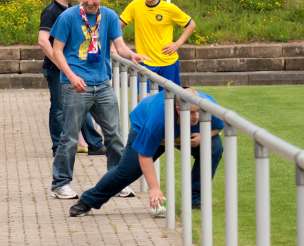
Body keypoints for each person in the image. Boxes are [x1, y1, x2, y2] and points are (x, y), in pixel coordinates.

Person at [48, 0, 148, 200]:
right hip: (75, 85)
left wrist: (132, 56)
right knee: (70, 137)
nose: (90, 2)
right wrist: (71, 76)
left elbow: (119, 46)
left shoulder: (110, 16)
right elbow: (57, 51)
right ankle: (60, 183)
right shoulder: (68, 17)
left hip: (102, 84)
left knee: (114, 135)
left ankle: (117, 181)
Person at [69, 87, 222, 217]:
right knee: (126, 172)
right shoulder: (158, 119)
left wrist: (204, 136)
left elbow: (220, 125)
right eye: (191, 113)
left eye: (198, 112)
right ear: (178, 110)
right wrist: (155, 189)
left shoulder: (207, 107)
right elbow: (145, 155)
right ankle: (88, 200)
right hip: (145, 127)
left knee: (214, 148)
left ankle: (194, 198)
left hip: (185, 134)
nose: (197, 116)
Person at [38, 0, 105, 157]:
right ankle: (58, 146)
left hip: (74, 69)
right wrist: (60, 64)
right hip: (56, 69)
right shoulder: (51, 11)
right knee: (59, 108)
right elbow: (43, 41)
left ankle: (94, 143)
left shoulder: (73, 11)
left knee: (84, 104)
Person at [118, 0, 195, 89]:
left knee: (170, 102)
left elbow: (191, 24)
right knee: (144, 100)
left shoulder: (169, 8)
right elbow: (118, 25)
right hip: (146, 63)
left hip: (168, 63)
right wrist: (116, 44)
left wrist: (177, 44)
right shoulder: (136, 5)